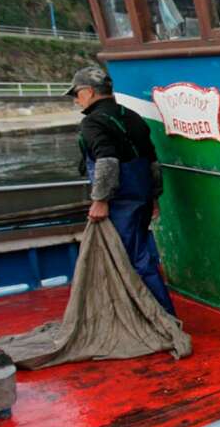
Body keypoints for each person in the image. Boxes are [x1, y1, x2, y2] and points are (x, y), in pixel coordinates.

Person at [67, 65, 176, 316]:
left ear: (89, 92)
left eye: (77, 94)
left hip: (120, 202)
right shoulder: (132, 116)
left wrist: (101, 200)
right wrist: (154, 197)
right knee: (138, 254)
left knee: (132, 259)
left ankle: (160, 316)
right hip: (142, 197)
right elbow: (152, 160)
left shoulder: (92, 122)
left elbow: (106, 161)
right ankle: (152, 312)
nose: (76, 100)